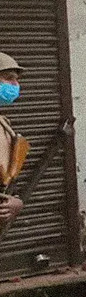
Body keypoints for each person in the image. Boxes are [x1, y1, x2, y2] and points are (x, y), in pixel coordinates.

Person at [0, 53, 25, 226]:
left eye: (16, 80)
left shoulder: (3, 122)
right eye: (9, 78)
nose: (16, 85)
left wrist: (15, 200)